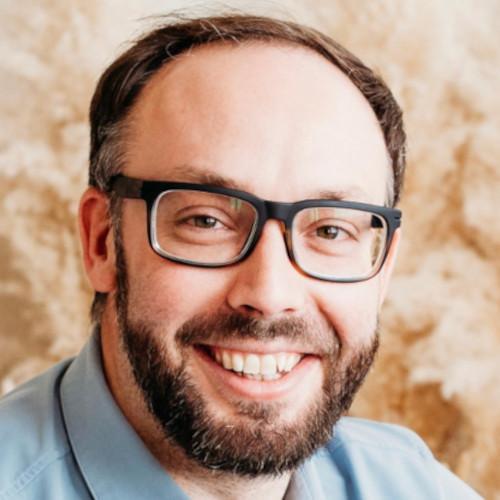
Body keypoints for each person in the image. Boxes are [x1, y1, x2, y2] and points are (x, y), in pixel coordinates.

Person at [0, 13, 482, 500]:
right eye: (206, 221)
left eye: (330, 231)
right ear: (102, 241)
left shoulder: (416, 486)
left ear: (383, 272)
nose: (269, 295)